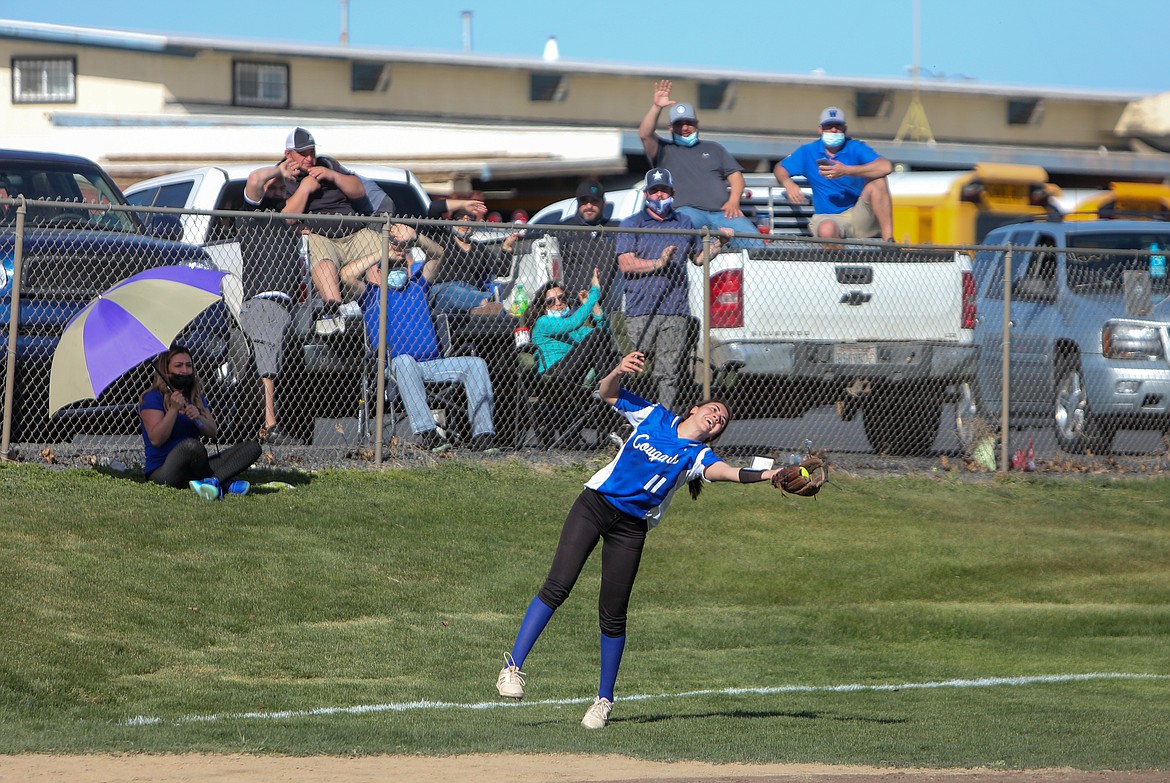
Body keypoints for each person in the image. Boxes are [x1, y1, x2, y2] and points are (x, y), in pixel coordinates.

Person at [494, 350, 782, 729]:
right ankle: (511, 669)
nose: (716, 417)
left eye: (722, 421)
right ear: (695, 409)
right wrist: (617, 369)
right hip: (594, 505)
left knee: (613, 613)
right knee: (558, 585)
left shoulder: (698, 455)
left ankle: (603, 700)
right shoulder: (655, 416)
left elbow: (730, 472)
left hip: (631, 527)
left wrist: (774, 475)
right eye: (713, 410)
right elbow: (608, 393)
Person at [340, 222, 498, 452]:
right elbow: (346, 275)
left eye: (401, 264)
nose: (396, 268)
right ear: (376, 270)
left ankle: (483, 435)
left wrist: (416, 238)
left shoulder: (418, 286)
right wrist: (384, 252)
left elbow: (439, 254)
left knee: (476, 364)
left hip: (431, 365)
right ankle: (428, 433)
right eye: (388, 266)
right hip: (394, 368)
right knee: (404, 361)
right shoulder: (370, 295)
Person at [615, 168, 731, 411]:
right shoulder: (632, 223)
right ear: (646, 194)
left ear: (672, 193)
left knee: (668, 371)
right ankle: (632, 417)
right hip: (640, 310)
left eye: (664, 191)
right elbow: (626, 264)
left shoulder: (685, 222)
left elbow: (700, 259)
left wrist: (720, 243)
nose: (659, 196)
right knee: (636, 370)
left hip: (675, 310)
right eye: (654, 191)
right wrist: (659, 263)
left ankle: (664, 419)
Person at [279, 127, 381, 335]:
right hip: (319, 235)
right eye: (303, 153)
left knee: (378, 252)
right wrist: (305, 187)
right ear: (288, 154)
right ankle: (336, 316)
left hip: (354, 231)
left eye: (311, 152)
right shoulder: (282, 175)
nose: (309, 158)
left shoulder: (328, 164)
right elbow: (287, 217)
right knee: (323, 262)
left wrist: (333, 176)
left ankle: (385, 309)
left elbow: (358, 189)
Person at [638, 79, 761, 249]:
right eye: (679, 124)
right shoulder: (663, 149)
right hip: (687, 212)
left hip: (723, 213)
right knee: (677, 241)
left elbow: (736, 176)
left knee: (756, 244)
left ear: (697, 125)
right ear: (670, 128)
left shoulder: (714, 148)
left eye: (689, 123)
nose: (685, 127)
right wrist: (657, 107)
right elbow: (645, 134)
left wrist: (734, 201)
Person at [238, 160, 305, 446]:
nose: (278, 191)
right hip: (263, 301)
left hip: (290, 306)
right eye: (273, 187)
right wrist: (280, 170)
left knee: (279, 366)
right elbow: (254, 178)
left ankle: (279, 423)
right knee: (267, 366)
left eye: (282, 188)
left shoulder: (288, 220)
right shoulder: (252, 216)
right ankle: (270, 425)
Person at [139, 345, 262, 500]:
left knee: (253, 447)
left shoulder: (195, 397)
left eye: (188, 365)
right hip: (164, 470)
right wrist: (173, 411)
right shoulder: (151, 397)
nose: (184, 370)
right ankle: (224, 482)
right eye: (178, 366)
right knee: (191, 446)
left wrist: (198, 417)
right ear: (166, 370)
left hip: (195, 466)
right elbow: (156, 440)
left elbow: (212, 431)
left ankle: (214, 481)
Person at [773, 106, 894, 242]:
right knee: (827, 229)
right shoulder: (808, 151)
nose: (833, 130)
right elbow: (779, 168)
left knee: (879, 182)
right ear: (820, 129)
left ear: (845, 128)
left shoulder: (855, 147)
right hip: (828, 217)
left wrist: (847, 170)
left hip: (858, 215)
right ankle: (838, 260)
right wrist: (788, 183)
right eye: (828, 126)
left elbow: (886, 166)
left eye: (838, 126)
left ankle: (889, 242)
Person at [527, 268, 618, 388]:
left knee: (601, 338)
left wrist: (591, 304)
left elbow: (604, 333)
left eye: (562, 298)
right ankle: (608, 386)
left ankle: (606, 386)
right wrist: (595, 289)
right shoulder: (543, 322)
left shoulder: (574, 330)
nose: (558, 303)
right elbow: (574, 322)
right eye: (550, 301)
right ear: (543, 307)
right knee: (597, 336)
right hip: (553, 372)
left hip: (576, 370)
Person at [429, 207, 519, 317]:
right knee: (453, 293)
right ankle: (486, 302)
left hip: (472, 290)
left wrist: (506, 247)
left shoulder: (478, 248)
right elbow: (434, 209)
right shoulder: (443, 240)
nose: (465, 223)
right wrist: (462, 204)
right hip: (445, 289)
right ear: (452, 222)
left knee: (477, 298)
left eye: (469, 219)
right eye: (460, 218)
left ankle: (479, 309)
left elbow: (502, 271)